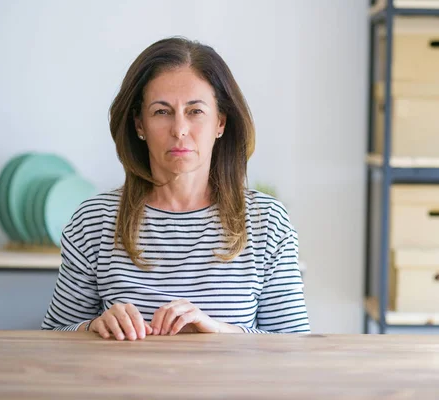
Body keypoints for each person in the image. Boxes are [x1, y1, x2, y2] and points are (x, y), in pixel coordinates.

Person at [41, 37, 310, 340]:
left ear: (220, 122)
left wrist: (218, 330)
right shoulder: (94, 221)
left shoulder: (267, 221)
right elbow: (53, 336)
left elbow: (294, 347)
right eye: (161, 112)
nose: (179, 129)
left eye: (195, 111)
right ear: (139, 125)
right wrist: (93, 326)